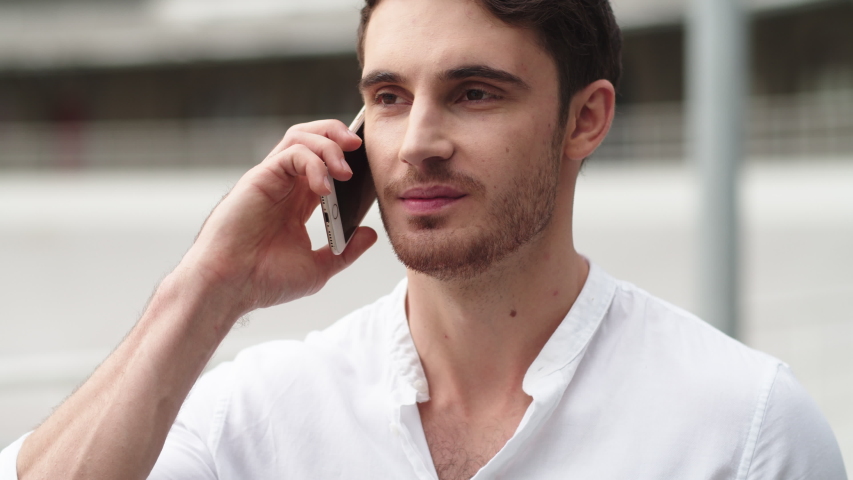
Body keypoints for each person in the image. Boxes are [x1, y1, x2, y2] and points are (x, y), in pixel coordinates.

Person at [0, 0, 847, 478]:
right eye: (389, 97)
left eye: (474, 93)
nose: (416, 144)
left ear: (584, 120)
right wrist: (207, 290)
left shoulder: (744, 426)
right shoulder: (254, 417)